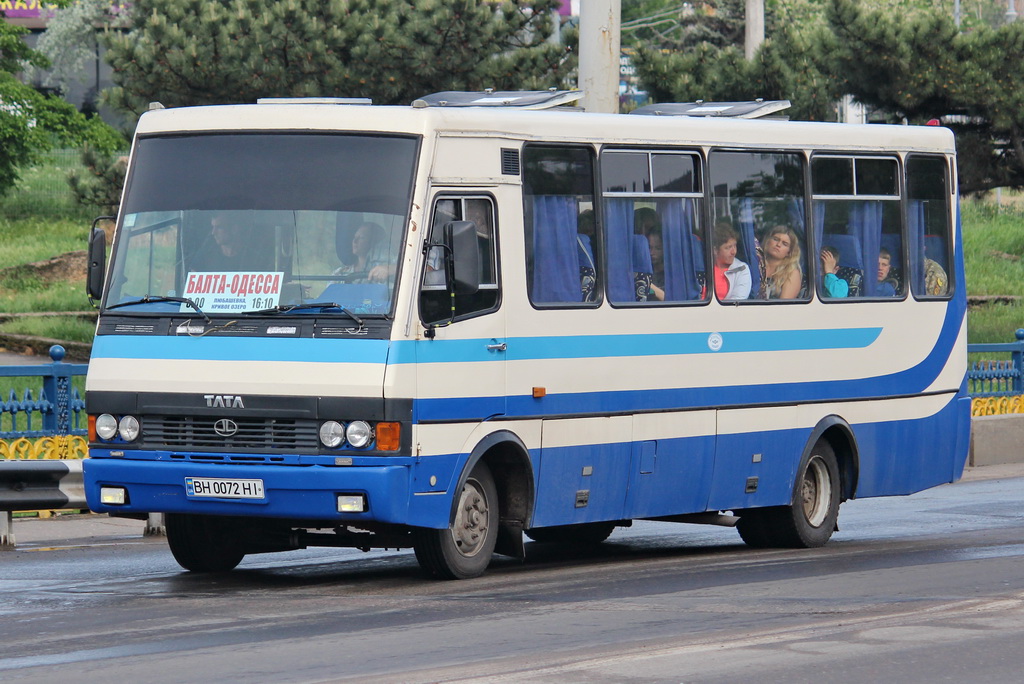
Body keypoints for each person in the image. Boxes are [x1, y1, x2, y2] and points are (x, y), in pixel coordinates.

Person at [758, 225, 802, 299]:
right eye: (775, 239)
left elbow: (784, 306)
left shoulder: (791, 273)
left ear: (789, 252)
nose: (778, 244)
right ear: (768, 241)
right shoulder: (757, 264)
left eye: (784, 244)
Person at [711, 223, 751, 301]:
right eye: (728, 248)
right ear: (715, 250)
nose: (734, 252)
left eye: (735, 246)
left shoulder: (741, 269)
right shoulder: (704, 268)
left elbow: (738, 299)